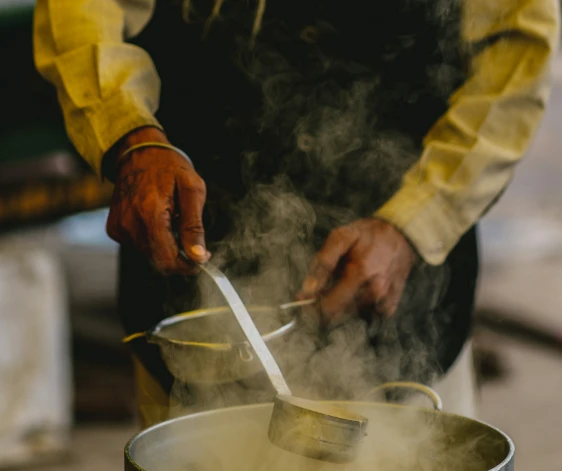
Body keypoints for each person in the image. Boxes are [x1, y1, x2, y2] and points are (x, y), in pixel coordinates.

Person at [34, 0, 559, 426]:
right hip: (190, 238)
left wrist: (418, 220)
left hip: (409, 277)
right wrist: (130, 137)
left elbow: (516, 51)